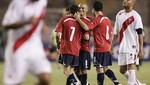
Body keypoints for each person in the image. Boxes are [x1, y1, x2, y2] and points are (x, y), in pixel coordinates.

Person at [2, 0, 51, 85]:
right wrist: (27, 22)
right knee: (14, 82)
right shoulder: (17, 3)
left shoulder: (43, 2)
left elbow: (39, 15)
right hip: (18, 46)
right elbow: (6, 24)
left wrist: (42, 24)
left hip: (35, 44)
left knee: (45, 79)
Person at [55, 4, 92, 85]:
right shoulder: (80, 22)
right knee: (71, 70)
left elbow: (58, 34)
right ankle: (78, 82)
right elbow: (86, 29)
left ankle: (76, 82)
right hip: (76, 50)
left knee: (66, 70)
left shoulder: (64, 19)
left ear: (70, 11)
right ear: (77, 12)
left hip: (66, 48)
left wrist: (58, 44)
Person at [111, 0, 146, 85]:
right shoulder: (119, 14)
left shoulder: (136, 16)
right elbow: (115, 32)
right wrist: (111, 46)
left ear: (132, 3)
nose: (124, 1)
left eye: (127, 0)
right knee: (122, 70)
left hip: (132, 47)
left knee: (131, 67)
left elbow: (140, 34)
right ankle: (138, 84)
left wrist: (141, 49)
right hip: (122, 47)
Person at [91, 1, 121, 85]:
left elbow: (87, 28)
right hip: (107, 46)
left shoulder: (97, 19)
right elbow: (109, 34)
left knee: (99, 69)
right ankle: (117, 83)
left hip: (100, 48)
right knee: (105, 69)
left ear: (94, 10)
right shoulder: (107, 19)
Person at [74, 3, 92, 85]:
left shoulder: (89, 20)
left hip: (84, 49)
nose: (81, 9)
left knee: (83, 69)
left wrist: (88, 34)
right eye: (79, 8)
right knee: (76, 70)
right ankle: (85, 83)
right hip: (74, 49)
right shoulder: (73, 20)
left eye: (83, 8)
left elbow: (87, 28)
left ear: (87, 10)